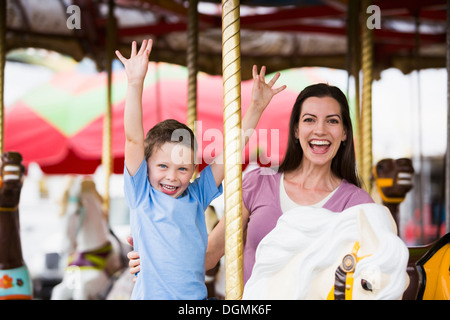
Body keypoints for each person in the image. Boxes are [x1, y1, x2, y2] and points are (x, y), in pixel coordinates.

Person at [115, 39, 286, 299]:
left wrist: (256, 108)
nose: (172, 176)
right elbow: (133, 139)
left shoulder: (196, 196)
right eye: (163, 166)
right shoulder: (142, 195)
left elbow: (231, 153)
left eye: (183, 169)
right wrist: (135, 83)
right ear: (146, 165)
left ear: (195, 169)